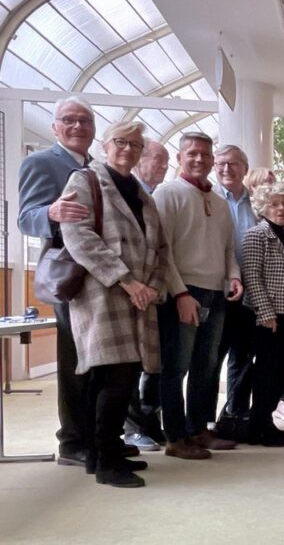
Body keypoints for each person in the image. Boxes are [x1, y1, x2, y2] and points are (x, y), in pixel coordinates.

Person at [60, 121, 166, 487]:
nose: (128, 149)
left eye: (136, 145)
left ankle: (102, 451)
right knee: (112, 378)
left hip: (139, 299)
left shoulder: (142, 194)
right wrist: (126, 279)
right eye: (121, 142)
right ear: (106, 146)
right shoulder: (85, 181)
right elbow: (77, 235)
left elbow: (160, 246)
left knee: (121, 376)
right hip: (103, 295)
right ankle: (106, 461)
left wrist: (152, 285)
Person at [154, 131, 243, 459]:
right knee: (176, 367)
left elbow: (228, 248)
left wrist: (233, 276)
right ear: (180, 157)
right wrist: (179, 293)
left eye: (206, 154)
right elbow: (161, 251)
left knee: (207, 367)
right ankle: (175, 437)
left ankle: (197, 429)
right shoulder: (167, 194)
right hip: (183, 292)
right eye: (192, 153)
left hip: (215, 292)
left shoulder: (219, 203)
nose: (200, 159)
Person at [18, 96, 95, 468]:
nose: (78, 126)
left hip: (101, 276)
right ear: (55, 127)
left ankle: (97, 433)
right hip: (69, 276)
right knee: (73, 359)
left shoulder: (98, 167)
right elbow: (25, 217)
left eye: (85, 120)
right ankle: (72, 441)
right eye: (69, 120)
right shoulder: (40, 162)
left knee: (99, 360)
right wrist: (50, 212)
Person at [241, 183, 284, 447]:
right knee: (266, 372)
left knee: (277, 372)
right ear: (263, 207)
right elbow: (252, 276)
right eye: (274, 204)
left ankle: (266, 422)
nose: (281, 208)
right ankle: (258, 427)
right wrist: (266, 313)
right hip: (267, 315)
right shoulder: (256, 235)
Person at [122, 139, 171, 452]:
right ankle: (132, 428)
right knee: (129, 364)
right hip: (127, 290)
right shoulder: (128, 192)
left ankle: (151, 422)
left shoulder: (154, 197)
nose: (164, 166)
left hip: (155, 289)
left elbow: (162, 247)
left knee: (155, 363)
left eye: (167, 161)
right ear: (140, 159)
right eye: (158, 160)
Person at [211, 145, 259, 437]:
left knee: (242, 357)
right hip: (217, 289)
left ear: (245, 168)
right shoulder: (210, 198)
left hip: (251, 292)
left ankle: (235, 414)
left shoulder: (256, 203)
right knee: (212, 358)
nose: (226, 169)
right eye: (221, 164)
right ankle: (203, 422)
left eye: (233, 164)